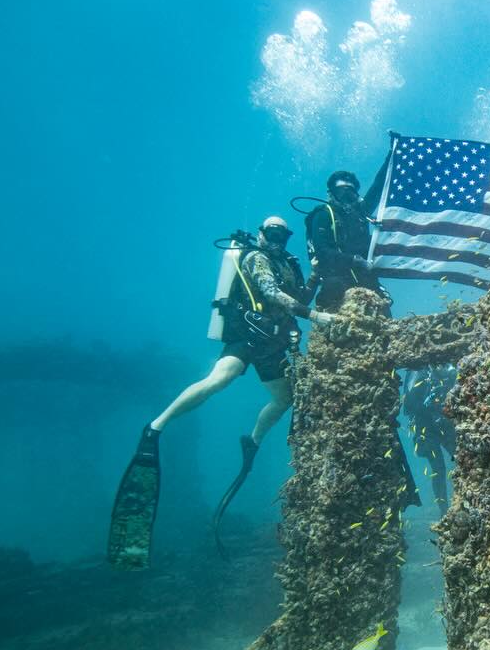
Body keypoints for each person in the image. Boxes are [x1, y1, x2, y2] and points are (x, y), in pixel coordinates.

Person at [109, 216, 332, 569]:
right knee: (219, 379)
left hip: (273, 343)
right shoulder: (255, 258)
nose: (277, 239)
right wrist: (315, 316)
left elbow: (298, 296)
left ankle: (252, 441)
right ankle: (156, 426)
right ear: (261, 234)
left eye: (282, 234)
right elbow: (271, 293)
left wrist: (316, 275)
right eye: (272, 232)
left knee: (284, 399)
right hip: (247, 337)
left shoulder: (289, 263)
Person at [305, 160, 389, 312]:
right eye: (341, 193)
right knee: (335, 288)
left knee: (383, 309)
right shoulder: (323, 215)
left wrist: (390, 157)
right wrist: (353, 260)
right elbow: (322, 253)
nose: (346, 199)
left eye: (350, 194)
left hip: (365, 278)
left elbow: (378, 187)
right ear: (331, 194)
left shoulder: (360, 213)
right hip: (337, 282)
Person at [403, 365, 458, 505]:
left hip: (442, 424)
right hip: (425, 431)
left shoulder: (437, 368)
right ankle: (443, 509)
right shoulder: (416, 372)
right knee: (438, 469)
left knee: (461, 457)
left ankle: (464, 497)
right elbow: (408, 406)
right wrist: (428, 403)